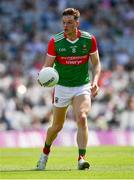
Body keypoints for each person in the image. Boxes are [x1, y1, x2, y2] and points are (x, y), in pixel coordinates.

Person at [36, 8, 101, 170]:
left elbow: (96, 64)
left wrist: (96, 81)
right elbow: (47, 66)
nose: (65, 26)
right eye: (64, 22)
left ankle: (81, 159)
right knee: (57, 127)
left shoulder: (89, 39)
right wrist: (42, 76)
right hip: (62, 87)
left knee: (82, 118)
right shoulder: (55, 41)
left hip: (82, 86)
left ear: (77, 23)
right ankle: (44, 154)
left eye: (69, 23)